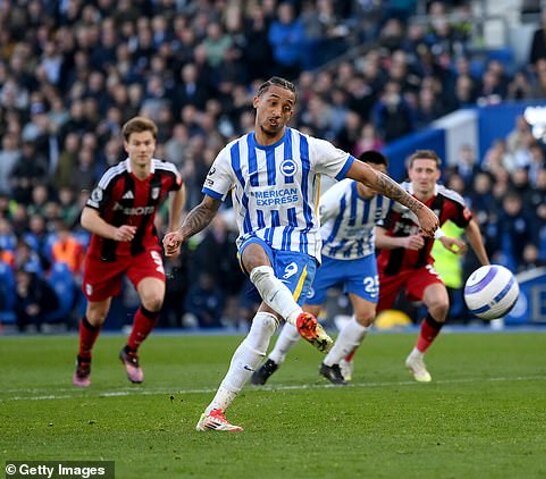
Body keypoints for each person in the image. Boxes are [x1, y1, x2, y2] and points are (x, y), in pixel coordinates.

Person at [161, 77, 438, 432]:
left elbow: (370, 176)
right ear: (256, 101)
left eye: (287, 107)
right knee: (255, 257)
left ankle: (213, 413)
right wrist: (181, 232)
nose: (278, 112)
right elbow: (207, 206)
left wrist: (417, 208)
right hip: (255, 239)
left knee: (262, 327)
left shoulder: (311, 149)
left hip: (301, 247)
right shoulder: (232, 155)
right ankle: (300, 319)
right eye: (273, 103)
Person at [251, 150, 395, 386]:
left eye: (379, 175)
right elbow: (311, 224)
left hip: (361, 258)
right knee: (308, 314)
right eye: (368, 173)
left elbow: (412, 206)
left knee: (367, 315)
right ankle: (274, 360)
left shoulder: (389, 194)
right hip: (327, 256)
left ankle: (331, 363)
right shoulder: (338, 197)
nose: (373, 180)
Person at [72, 116, 186, 387]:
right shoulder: (115, 178)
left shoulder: (166, 173)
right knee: (97, 314)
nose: (143, 148)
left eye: (147, 142)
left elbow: (179, 188)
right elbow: (86, 218)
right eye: (137, 143)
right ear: (126, 146)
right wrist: (114, 232)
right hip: (105, 252)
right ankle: (84, 357)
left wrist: (173, 228)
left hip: (142, 247)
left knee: (155, 298)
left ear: (155, 144)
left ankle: (131, 351)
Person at [372, 149, 490, 383]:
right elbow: (375, 237)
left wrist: (486, 266)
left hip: (419, 267)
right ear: (410, 173)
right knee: (364, 317)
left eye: (429, 170)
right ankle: (343, 361)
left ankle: (416, 357)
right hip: (385, 268)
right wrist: (403, 242)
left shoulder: (450, 201)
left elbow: (471, 226)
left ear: (438, 173)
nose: (424, 176)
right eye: (419, 170)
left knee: (440, 303)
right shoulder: (392, 196)